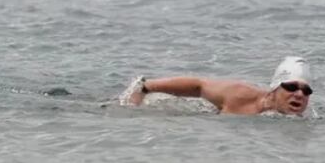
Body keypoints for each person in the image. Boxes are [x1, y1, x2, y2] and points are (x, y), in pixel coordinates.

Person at [124, 56, 314, 116]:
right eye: (291, 87)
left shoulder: (306, 120)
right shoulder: (239, 95)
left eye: (306, 90)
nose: (299, 94)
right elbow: (198, 86)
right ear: (275, 89)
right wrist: (145, 87)